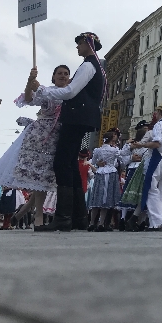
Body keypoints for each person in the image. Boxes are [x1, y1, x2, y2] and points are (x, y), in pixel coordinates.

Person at [33, 32, 106, 232]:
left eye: (79, 44)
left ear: (87, 44)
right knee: (71, 165)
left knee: (62, 162)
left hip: (76, 117)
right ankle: (79, 218)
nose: (77, 47)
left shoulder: (88, 65)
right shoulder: (94, 66)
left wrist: (44, 91)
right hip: (82, 117)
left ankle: (64, 217)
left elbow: (70, 91)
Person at [0, 65, 71, 229]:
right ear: (53, 77)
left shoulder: (71, 93)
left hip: (60, 138)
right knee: (39, 177)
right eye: (59, 73)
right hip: (40, 137)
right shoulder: (47, 91)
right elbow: (28, 98)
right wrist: (30, 81)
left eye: (66, 74)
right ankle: (38, 216)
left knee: (47, 178)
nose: (63, 76)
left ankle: (24, 210)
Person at [139, 102, 162, 231]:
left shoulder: (158, 125)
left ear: (158, 112)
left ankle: (158, 222)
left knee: (151, 189)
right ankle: (160, 221)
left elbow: (157, 143)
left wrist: (142, 145)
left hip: (158, 158)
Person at [87, 131, 122, 232]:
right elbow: (121, 160)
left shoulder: (98, 150)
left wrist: (98, 162)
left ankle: (92, 223)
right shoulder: (114, 150)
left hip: (100, 172)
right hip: (110, 172)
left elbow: (93, 162)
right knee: (106, 198)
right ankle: (101, 223)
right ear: (111, 139)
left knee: (97, 197)